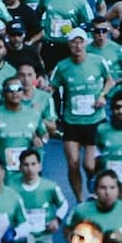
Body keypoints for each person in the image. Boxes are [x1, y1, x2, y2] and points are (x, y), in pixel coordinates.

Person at [49, 28, 114, 199]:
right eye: (73, 42)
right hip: (72, 121)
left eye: (80, 42)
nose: (77, 46)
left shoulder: (98, 61)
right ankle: (79, 199)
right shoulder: (62, 66)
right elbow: (51, 89)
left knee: (89, 165)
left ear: (86, 43)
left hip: (95, 120)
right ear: (69, 44)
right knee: (73, 163)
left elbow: (110, 80)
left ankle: (94, 190)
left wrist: (102, 96)